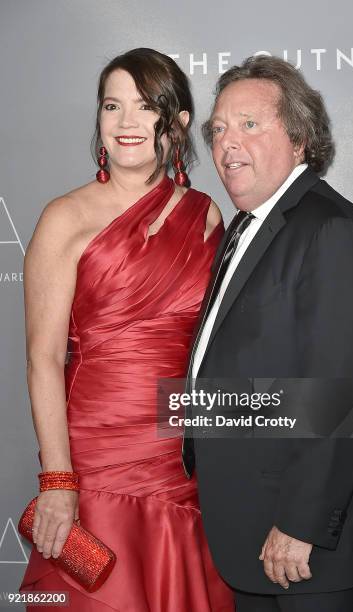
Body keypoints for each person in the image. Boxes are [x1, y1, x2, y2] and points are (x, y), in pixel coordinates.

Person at [182, 55, 353, 611]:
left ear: (301, 139)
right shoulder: (245, 226)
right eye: (218, 130)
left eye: (250, 125)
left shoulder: (328, 228)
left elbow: (340, 392)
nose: (227, 143)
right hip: (253, 532)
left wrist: (301, 523)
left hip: (311, 549)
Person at [19, 47, 234, 612]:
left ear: (180, 123)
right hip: (94, 461)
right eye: (112, 106)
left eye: (145, 106)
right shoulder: (64, 217)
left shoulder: (206, 215)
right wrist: (58, 482)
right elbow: (43, 360)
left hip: (179, 463)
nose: (126, 123)